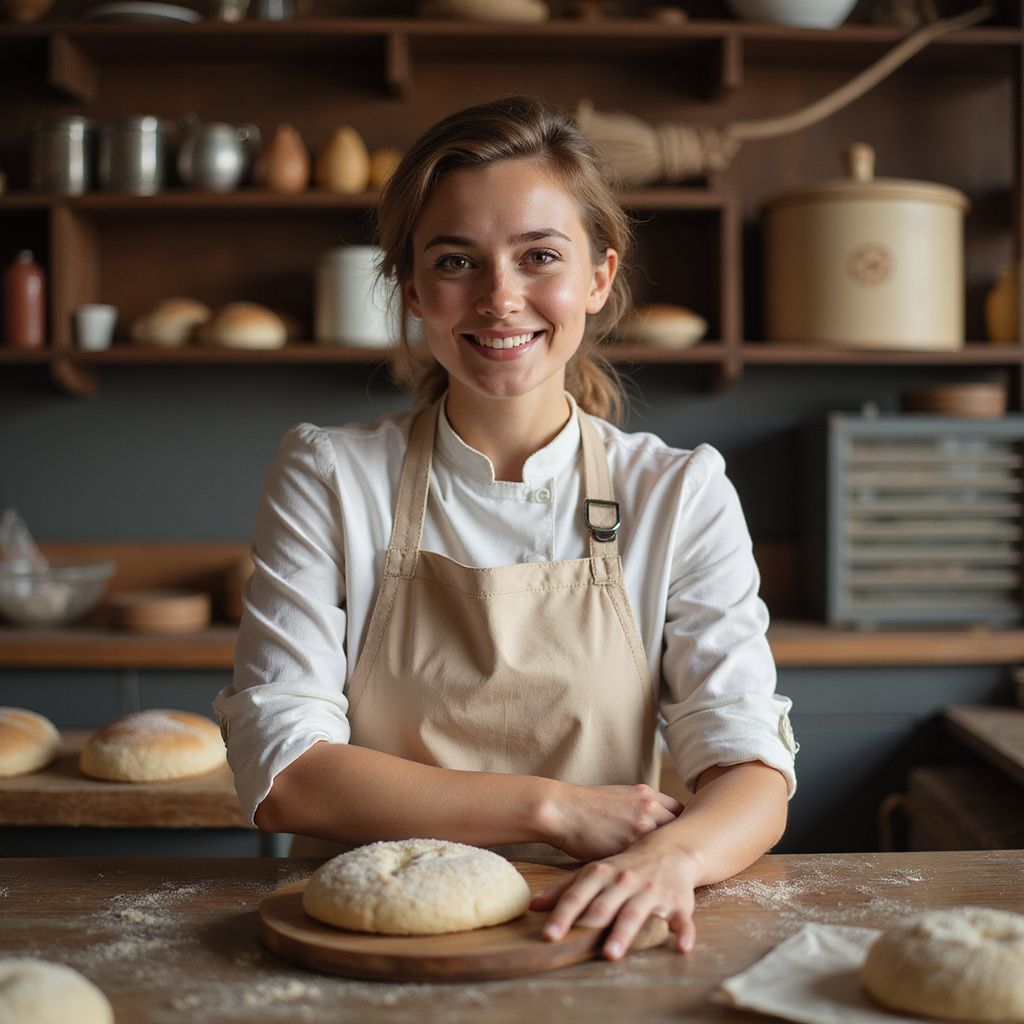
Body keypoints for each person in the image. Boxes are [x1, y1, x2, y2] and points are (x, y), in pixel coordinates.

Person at [214, 95, 797, 960]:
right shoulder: (333, 476)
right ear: (412, 289)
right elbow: (288, 773)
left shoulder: (679, 491)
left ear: (599, 277)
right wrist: (552, 807)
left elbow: (750, 766)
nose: (500, 298)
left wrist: (671, 858)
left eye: (540, 257)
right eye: (457, 261)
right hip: (366, 943)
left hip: (599, 927)